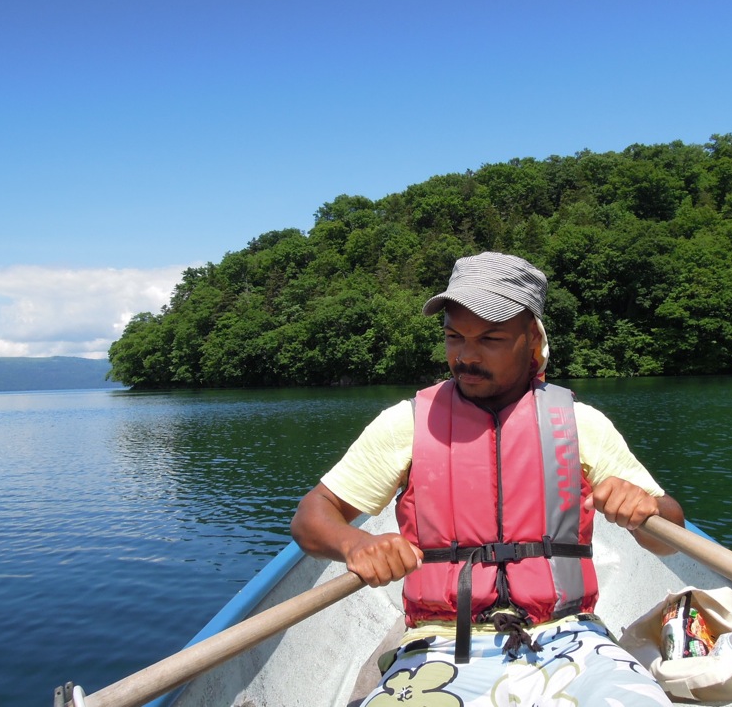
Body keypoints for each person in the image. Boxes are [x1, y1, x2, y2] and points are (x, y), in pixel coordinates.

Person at [291, 251, 685, 706]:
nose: (466, 356)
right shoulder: (408, 423)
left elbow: (670, 535)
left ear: (532, 340)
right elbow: (311, 517)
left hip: (569, 636)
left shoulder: (580, 424)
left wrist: (647, 510)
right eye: (453, 337)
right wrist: (354, 544)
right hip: (441, 642)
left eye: (491, 339)